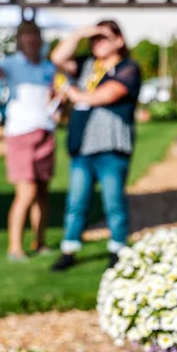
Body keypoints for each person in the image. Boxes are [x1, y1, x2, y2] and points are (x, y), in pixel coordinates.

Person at [50, 20, 141, 272]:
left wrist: (73, 92)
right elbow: (57, 58)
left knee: (113, 202)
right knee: (76, 203)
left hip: (111, 146)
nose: (97, 43)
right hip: (83, 146)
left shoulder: (128, 68)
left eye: (104, 38)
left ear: (119, 41)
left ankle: (117, 248)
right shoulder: (86, 66)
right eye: (95, 39)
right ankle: (69, 249)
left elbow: (106, 95)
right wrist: (80, 32)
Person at [0, 21, 56, 261]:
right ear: (20, 40)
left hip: (46, 130)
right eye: (27, 36)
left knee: (42, 192)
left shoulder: (47, 66)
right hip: (21, 133)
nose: (32, 40)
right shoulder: (11, 63)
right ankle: (15, 248)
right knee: (26, 191)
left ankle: (40, 242)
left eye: (35, 35)